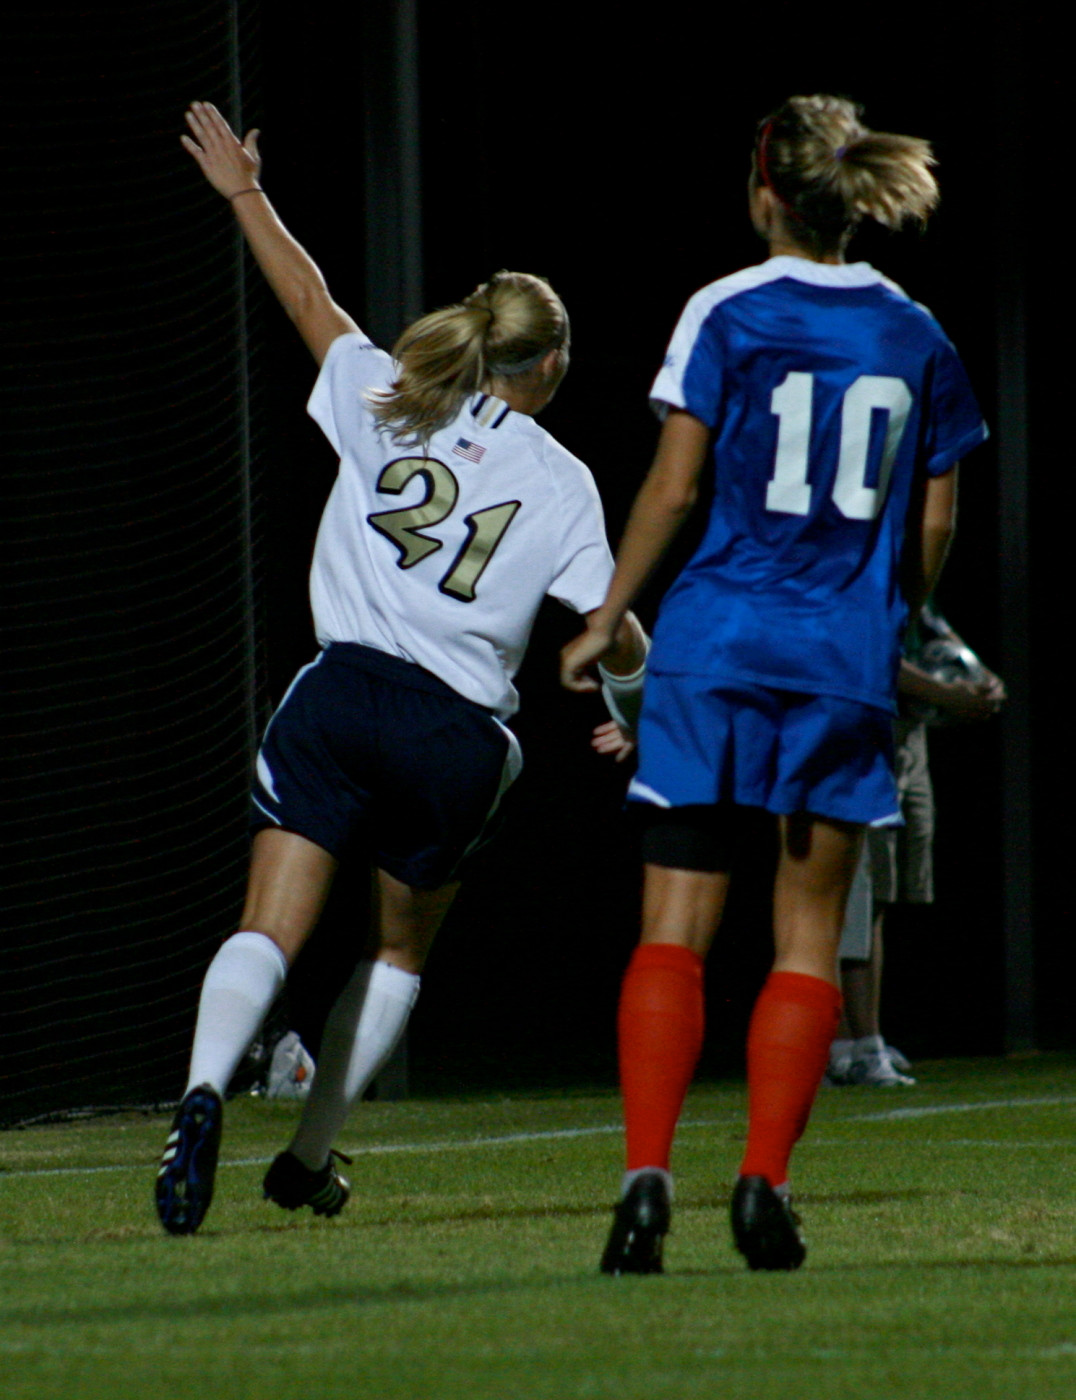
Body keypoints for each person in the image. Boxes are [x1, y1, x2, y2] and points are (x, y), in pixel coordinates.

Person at [155, 101, 646, 1236]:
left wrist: (244, 193)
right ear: (551, 364)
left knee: (268, 924)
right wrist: (635, 693)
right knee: (395, 947)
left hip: (339, 695)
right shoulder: (564, 478)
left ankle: (199, 1094)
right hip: (453, 736)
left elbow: (307, 300)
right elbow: (609, 626)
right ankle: (307, 1154)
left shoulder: (392, 397)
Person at [561, 94, 988, 1272]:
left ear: (763, 194)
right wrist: (891, 610)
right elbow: (935, 518)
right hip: (836, 660)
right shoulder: (915, 332)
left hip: (714, 642)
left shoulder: (725, 307)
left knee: (672, 929)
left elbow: (670, 487)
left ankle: (644, 1183)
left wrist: (605, 616)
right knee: (804, 938)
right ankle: (763, 1181)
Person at [829, 610, 1006, 1086]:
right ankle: (842, 1045)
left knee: (879, 897)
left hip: (906, 734)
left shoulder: (913, 578)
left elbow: (934, 625)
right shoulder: (860, 572)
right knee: (852, 898)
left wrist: (980, 676)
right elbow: (869, 652)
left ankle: (866, 1039)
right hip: (859, 730)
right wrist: (946, 693)